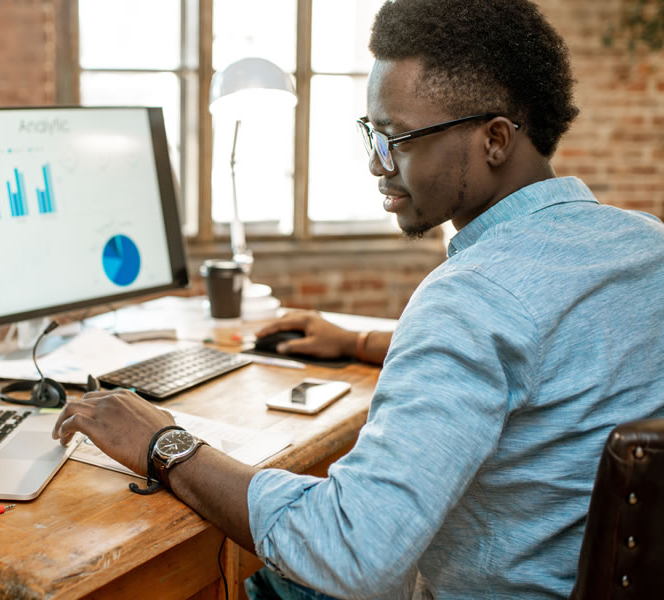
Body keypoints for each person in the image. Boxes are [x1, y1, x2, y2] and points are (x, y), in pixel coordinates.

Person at [53, 0, 664, 597]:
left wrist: (166, 443)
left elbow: (351, 550)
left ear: (496, 140)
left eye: (398, 139)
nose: (377, 165)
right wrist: (358, 342)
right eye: (372, 134)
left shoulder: (469, 300)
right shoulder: (645, 246)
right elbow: (551, 353)